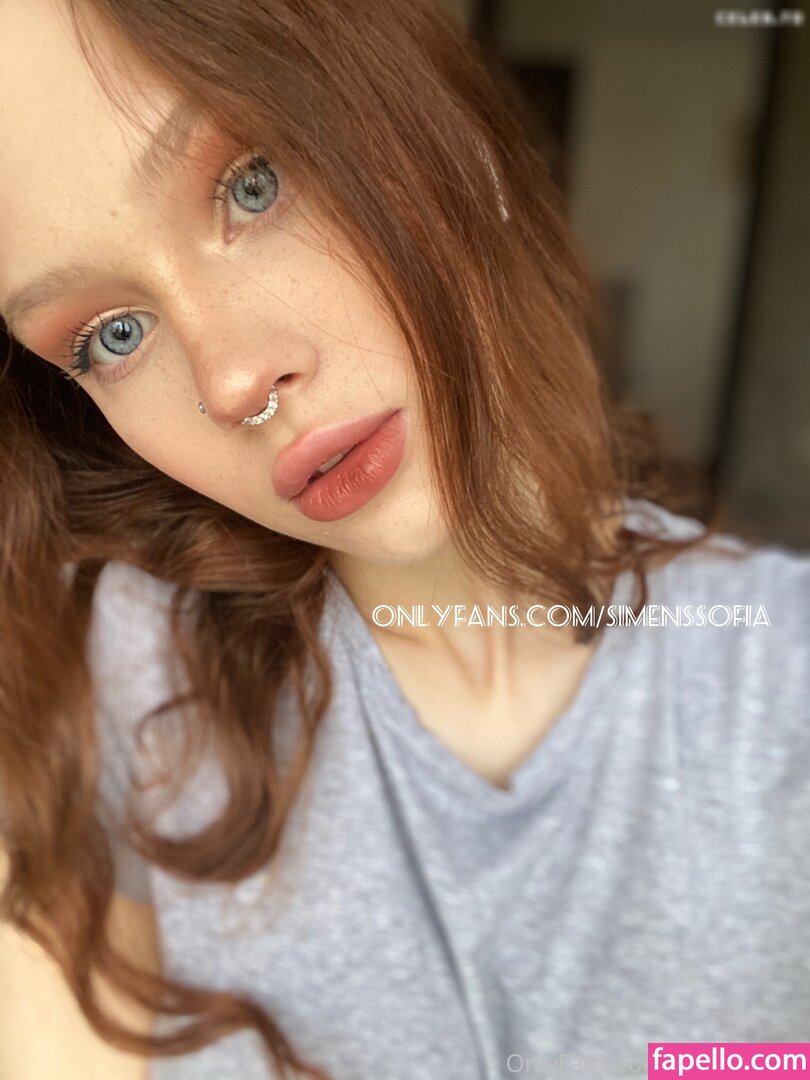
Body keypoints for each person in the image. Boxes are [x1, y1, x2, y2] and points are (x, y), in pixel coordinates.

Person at [0, 0, 807, 1078]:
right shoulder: (96, 676)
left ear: (453, 138)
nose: (232, 380)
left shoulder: (781, 676)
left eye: (254, 183)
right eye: (112, 336)